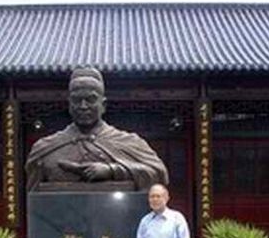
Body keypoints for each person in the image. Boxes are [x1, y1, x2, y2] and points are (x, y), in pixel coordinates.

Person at [25, 67, 169, 191]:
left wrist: (112, 170)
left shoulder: (129, 142)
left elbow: (159, 174)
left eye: (90, 99)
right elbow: (33, 196)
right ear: (69, 105)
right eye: (77, 100)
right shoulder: (45, 149)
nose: (83, 106)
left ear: (103, 105)